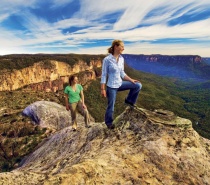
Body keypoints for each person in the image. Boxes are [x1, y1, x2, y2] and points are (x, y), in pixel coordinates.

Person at [101, 40, 142, 129]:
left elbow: (122, 73)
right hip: (111, 86)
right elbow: (104, 74)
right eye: (122, 46)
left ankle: (129, 101)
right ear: (116, 46)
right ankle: (109, 123)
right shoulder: (107, 60)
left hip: (120, 83)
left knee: (138, 85)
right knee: (111, 106)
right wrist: (103, 89)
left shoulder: (121, 59)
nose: (123, 48)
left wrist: (131, 80)